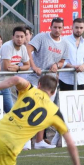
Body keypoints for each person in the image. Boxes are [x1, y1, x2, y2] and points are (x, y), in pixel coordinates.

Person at [26, 17, 68, 149]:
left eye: (59, 27)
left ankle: (39, 142)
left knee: (43, 111)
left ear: (63, 28)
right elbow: (28, 49)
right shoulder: (41, 37)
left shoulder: (64, 44)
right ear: (50, 27)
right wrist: (33, 66)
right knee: (31, 110)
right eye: (55, 27)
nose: (57, 30)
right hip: (34, 80)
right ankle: (26, 141)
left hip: (50, 83)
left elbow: (62, 61)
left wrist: (57, 64)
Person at [0, 26, 30, 113]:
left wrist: (18, 68)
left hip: (7, 84)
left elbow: (28, 65)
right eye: (17, 36)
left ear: (24, 38)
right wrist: (18, 68)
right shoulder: (7, 46)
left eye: (22, 37)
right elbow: (6, 67)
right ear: (13, 37)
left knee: (11, 111)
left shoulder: (23, 48)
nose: (19, 39)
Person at [59, 18, 84, 91]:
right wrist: (72, 66)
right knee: (66, 102)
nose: (79, 30)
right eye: (76, 27)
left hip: (81, 80)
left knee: (82, 102)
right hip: (66, 80)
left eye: (81, 28)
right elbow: (59, 59)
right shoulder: (64, 40)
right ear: (72, 27)